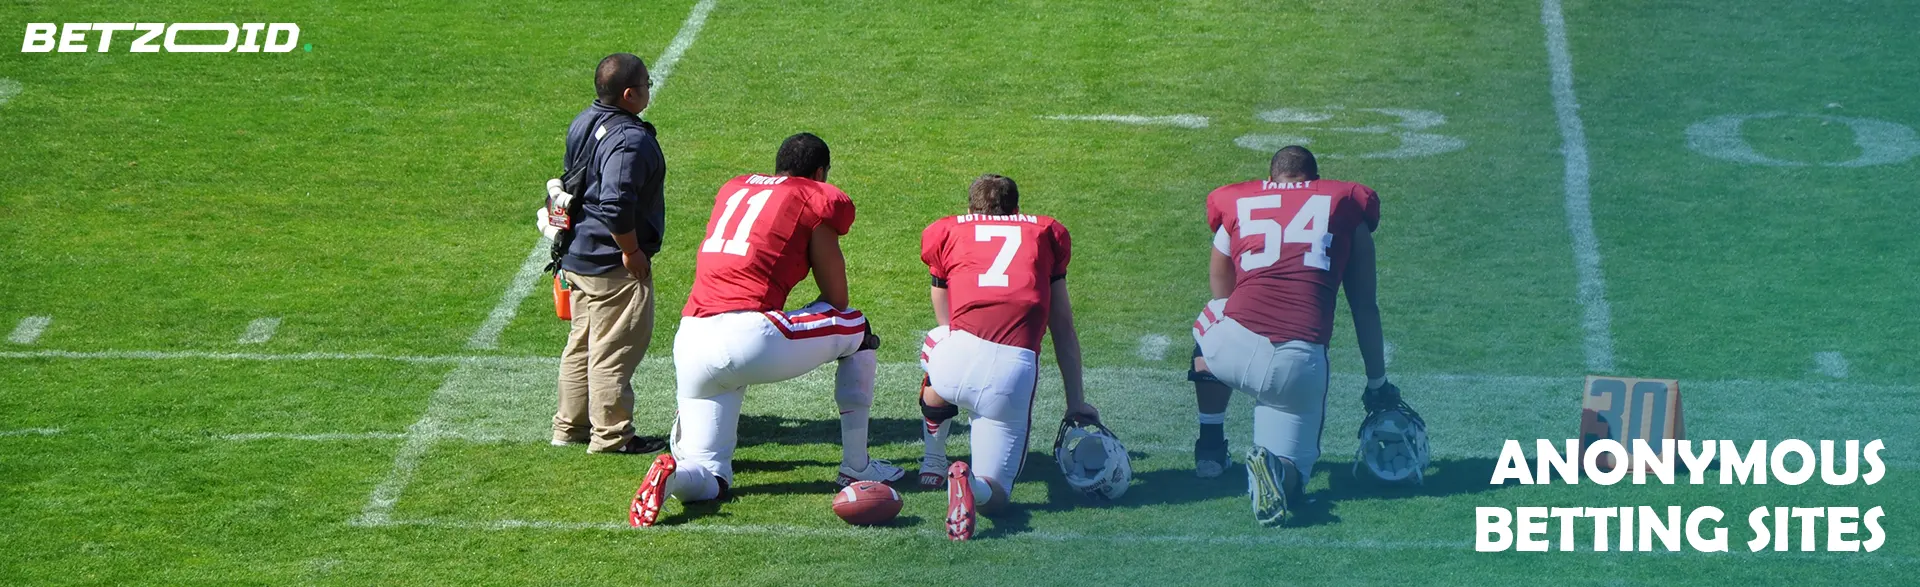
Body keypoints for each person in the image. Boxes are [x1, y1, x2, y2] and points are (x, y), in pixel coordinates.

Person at [629, 133, 903, 528]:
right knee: (857, 328)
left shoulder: (734, 188)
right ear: (820, 172)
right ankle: (857, 465)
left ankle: (673, 478)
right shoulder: (815, 196)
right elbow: (837, 299)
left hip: (691, 339)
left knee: (712, 476)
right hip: (748, 336)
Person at [1189, 146, 1391, 526]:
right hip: (1299, 363)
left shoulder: (1237, 201)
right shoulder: (1345, 202)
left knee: (1214, 314)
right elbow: (1365, 307)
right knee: (1292, 481)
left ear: (1271, 177)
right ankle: (1280, 474)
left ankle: (1211, 449)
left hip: (1233, 350)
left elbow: (1221, 290)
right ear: (1315, 179)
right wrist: (1377, 383)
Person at [915, 174, 1099, 541]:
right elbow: (1062, 329)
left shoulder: (947, 231)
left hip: (955, 361)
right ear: (1017, 210)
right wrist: (1075, 401)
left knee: (938, 339)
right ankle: (971, 485)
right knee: (995, 500)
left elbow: (945, 315)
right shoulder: (1046, 233)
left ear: (971, 210)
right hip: (1011, 376)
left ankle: (933, 458)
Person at [551, 53, 669, 455]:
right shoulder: (629, 139)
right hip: (610, 262)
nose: (650, 89)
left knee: (581, 344)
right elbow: (617, 203)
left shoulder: (585, 119)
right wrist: (632, 251)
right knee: (613, 350)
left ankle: (569, 427)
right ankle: (612, 436)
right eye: (647, 84)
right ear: (629, 93)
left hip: (579, 254)